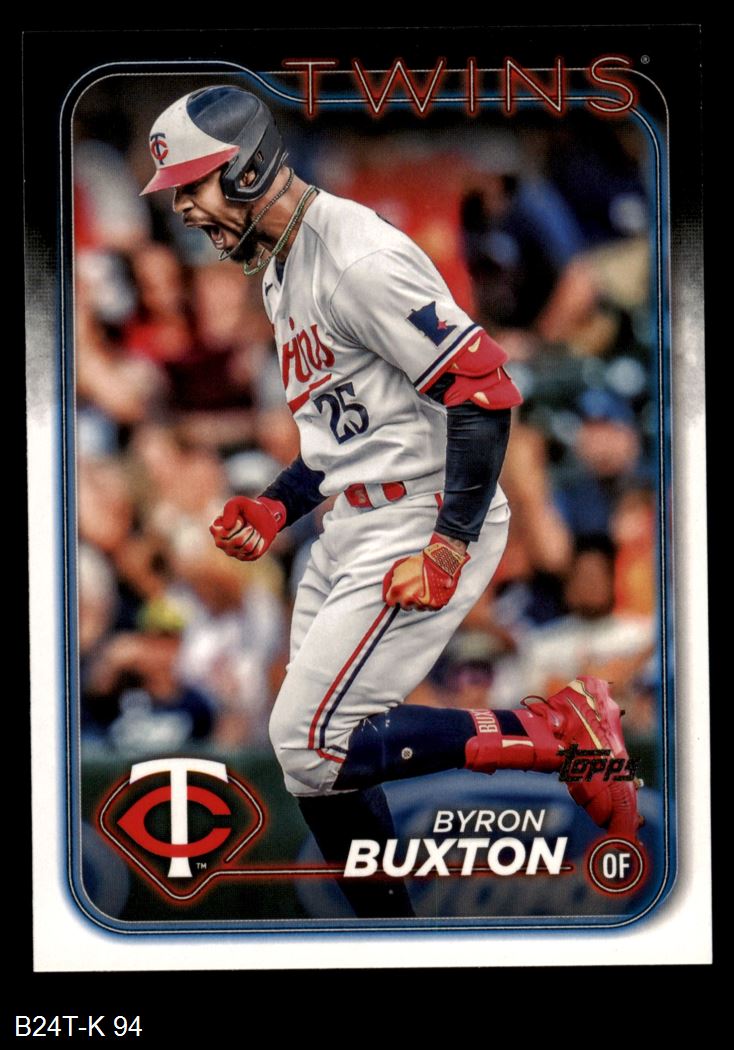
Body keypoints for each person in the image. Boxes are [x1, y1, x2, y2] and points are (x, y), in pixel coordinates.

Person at [141, 85, 642, 918]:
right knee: (315, 768)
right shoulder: (282, 268)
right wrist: (275, 507)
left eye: (193, 184)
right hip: (356, 515)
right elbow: (342, 441)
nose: (183, 208)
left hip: (422, 511)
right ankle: (387, 933)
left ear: (249, 168)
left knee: (307, 740)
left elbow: (483, 389)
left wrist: (448, 543)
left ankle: (556, 735)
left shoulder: (355, 257)